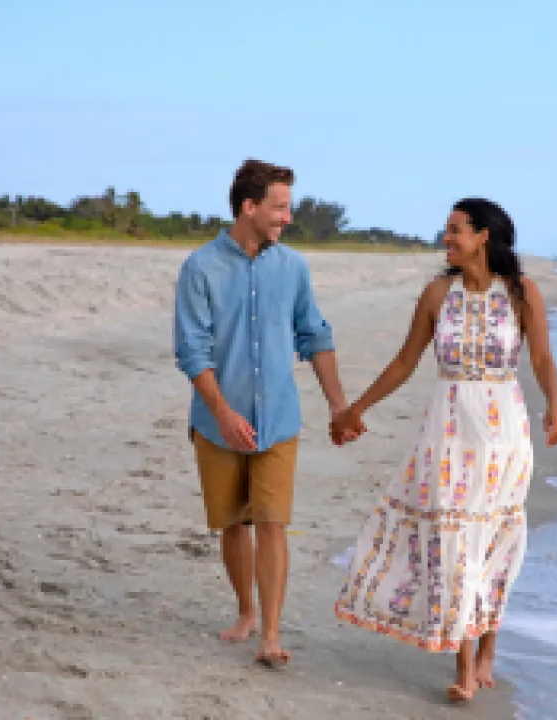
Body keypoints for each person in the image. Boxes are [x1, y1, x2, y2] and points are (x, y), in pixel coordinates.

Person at [330, 197, 557, 702]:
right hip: (450, 429)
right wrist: (358, 407)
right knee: (455, 537)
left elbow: (542, 356)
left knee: (493, 540)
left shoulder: (522, 293)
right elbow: (405, 360)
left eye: (455, 230)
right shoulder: (438, 294)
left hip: (504, 433)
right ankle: (463, 664)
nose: (446, 238)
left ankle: (486, 651)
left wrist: (555, 408)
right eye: (447, 230)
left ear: (483, 235)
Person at [172, 158, 359, 669]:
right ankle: (246, 610)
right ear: (249, 207)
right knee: (233, 523)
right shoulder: (200, 268)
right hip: (217, 422)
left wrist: (338, 404)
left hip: (278, 418)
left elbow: (315, 336)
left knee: (272, 522)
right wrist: (223, 411)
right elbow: (192, 351)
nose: (287, 218)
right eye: (279, 207)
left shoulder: (293, 267)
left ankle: (271, 634)